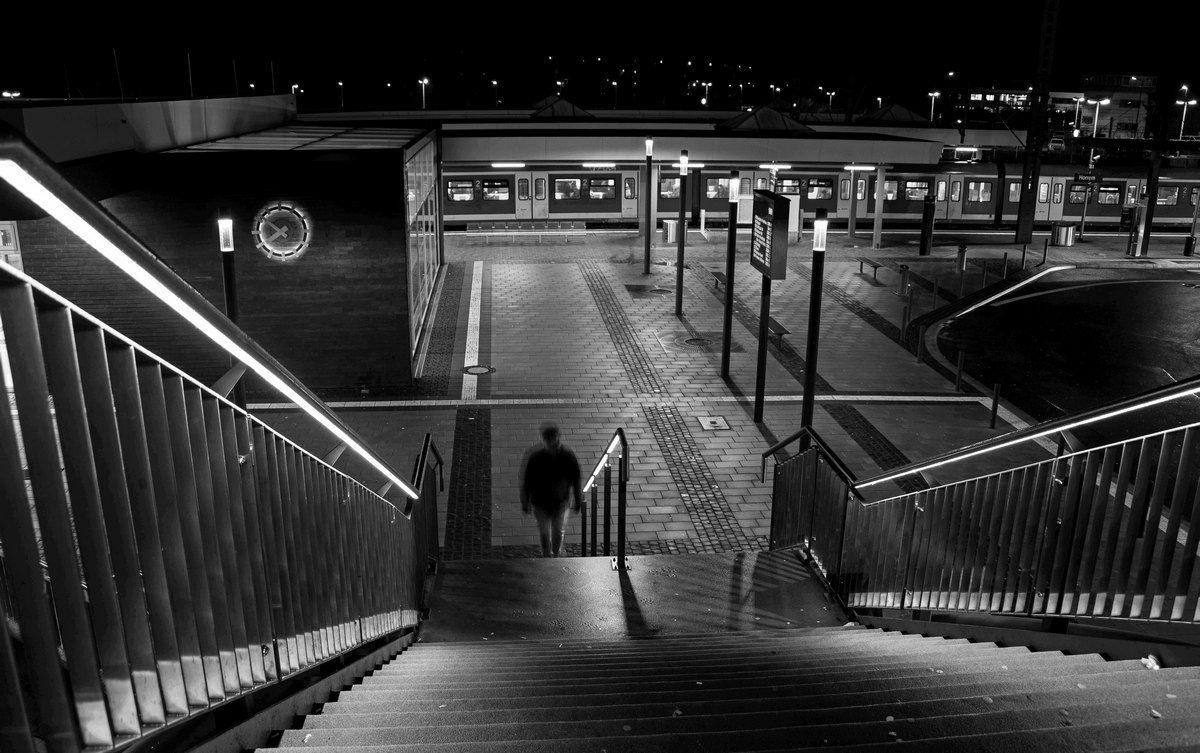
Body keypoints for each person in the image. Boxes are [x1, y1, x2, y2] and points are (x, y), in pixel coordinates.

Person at [519, 423, 583, 557]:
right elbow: (527, 481)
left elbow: (576, 478)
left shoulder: (565, 456)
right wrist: (525, 501)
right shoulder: (538, 457)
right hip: (544, 503)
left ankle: (554, 553)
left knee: (556, 531)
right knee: (546, 532)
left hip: (557, 503)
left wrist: (577, 499)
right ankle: (548, 554)